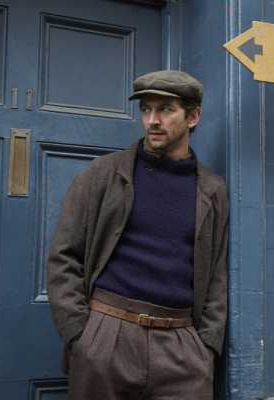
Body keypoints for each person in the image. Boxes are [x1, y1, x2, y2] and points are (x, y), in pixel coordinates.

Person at [47, 70, 229, 400]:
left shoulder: (212, 190)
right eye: (146, 109)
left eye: (166, 109)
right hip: (107, 334)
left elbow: (217, 274)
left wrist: (205, 346)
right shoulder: (103, 174)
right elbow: (64, 256)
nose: (152, 121)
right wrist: (80, 335)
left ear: (193, 117)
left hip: (182, 347)